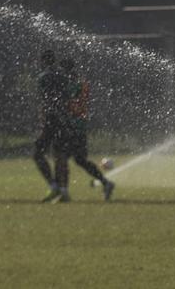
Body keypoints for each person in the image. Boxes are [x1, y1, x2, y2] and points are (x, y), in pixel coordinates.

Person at [54, 56, 114, 202]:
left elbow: (67, 102)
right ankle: (106, 183)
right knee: (80, 159)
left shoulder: (71, 85)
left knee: (62, 158)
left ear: (64, 70)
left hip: (71, 126)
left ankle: (63, 192)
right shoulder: (80, 83)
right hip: (79, 126)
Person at [33, 49, 71, 203]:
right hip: (64, 120)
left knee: (38, 154)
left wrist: (43, 120)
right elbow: (67, 99)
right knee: (60, 155)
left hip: (51, 119)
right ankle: (64, 190)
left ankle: (53, 185)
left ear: (43, 61)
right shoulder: (63, 77)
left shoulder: (43, 77)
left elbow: (45, 100)